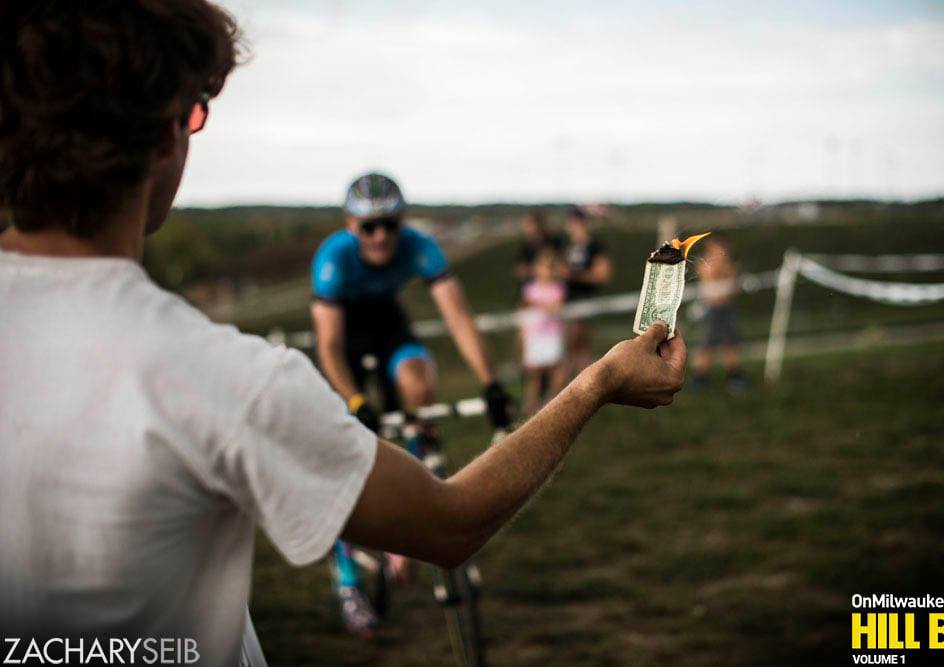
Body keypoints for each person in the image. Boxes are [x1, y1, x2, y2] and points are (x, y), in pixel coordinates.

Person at [0, 3, 686, 666]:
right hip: (336, 357)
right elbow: (450, 525)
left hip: (381, 335)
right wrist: (596, 383)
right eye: (196, 113)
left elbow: (453, 312)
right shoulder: (227, 380)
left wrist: (485, 379)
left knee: (410, 375)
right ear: (163, 137)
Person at [309, 171, 516, 634]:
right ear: (350, 225)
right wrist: (356, 399)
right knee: (345, 457)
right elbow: (328, 347)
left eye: (390, 224)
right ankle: (347, 579)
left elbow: (459, 318)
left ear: (402, 222)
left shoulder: (420, 247)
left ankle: (417, 485)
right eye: (368, 227)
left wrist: (490, 383)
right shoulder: (333, 259)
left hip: (388, 326)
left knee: (418, 382)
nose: (381, 236)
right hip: (344, 340)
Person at [691, 234, 747, 391]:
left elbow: (733, 281)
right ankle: (699, 377)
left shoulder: (732, 264)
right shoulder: (704, 262)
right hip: (710, 309)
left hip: (728, 309)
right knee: (705, 345)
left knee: (731, 344)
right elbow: (710, 275)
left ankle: (734, 376)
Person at [563, 205, 612, 375]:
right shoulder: (567, 246)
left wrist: (573, 274)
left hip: (583, 300)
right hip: (567, 301)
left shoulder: (595, 246)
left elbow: (602, 274)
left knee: (577, 344)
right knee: (575, 346)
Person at [519, 250, 569, 414]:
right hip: (534, 337)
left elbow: (556, 308)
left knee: (556, 372)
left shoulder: (558, 288)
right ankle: (530, 410)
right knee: (535, 377)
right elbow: (525, 311)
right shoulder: (529, 289)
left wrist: (539, 305)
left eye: (549, 267)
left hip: (552, 335)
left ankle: (553, 405)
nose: (546, 270)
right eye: (543, 266)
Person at [513, 207, 563, 286]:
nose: (530, 228)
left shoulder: (554, 242)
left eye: (532, 224)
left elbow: (561, 268)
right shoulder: (526, 247)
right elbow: (520, 271)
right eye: (528, 225)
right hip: (534, 288)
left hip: (554, 287)